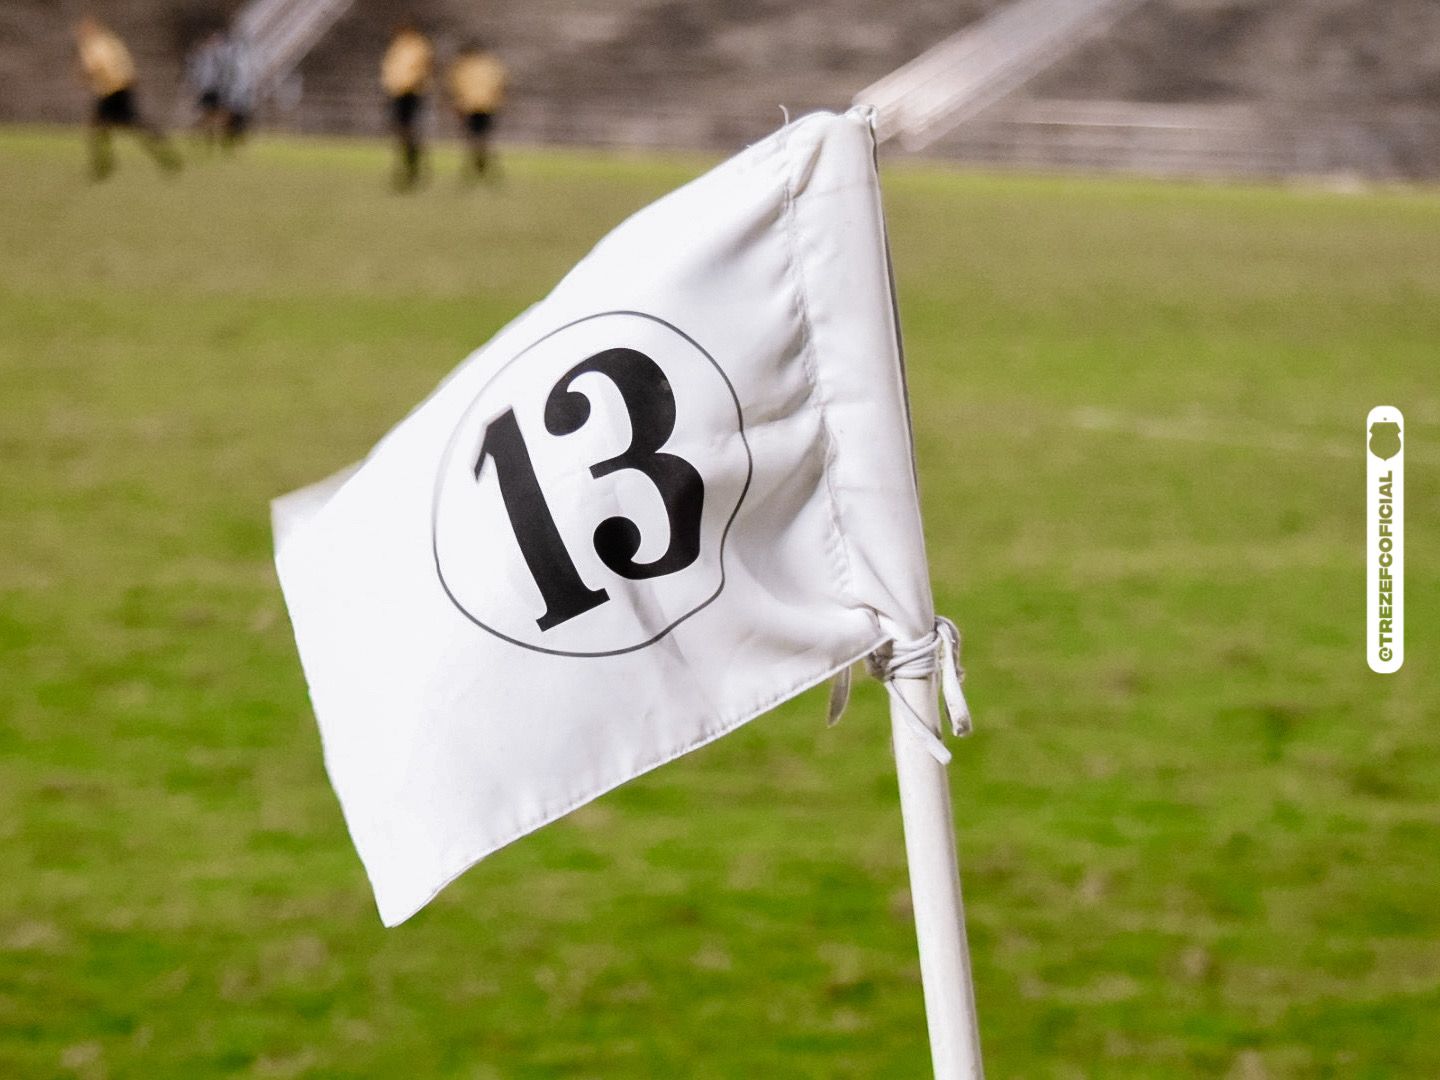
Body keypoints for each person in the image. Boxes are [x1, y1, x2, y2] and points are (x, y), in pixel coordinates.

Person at [75, 16, 181, 179]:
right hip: (121, 87)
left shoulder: (95, 45)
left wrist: (86, 76)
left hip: (112, 90)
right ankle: (105, 165)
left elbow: (96, 67)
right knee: (108, 127)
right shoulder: (110, 41)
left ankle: (104, 167)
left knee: (107, 127)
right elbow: (124, 64)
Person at [380, 22, 434, 190]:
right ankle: (407, 165)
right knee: (401, 130)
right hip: (397, 93)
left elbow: (425, 68)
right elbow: (391, 71)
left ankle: (415, 165)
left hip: (412, 93)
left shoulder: (419, 46)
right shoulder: (397, 46)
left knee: (410, 130)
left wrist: (417, 84)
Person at [447, 40, 507, 183]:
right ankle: (482, 167)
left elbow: (456, 85)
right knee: (482, 138)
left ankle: (477, 167)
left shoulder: (463, 65)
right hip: (487, 104)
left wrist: (457, 103)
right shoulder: (490, 64)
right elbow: (500, 84)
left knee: (473, 137)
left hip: (470, 105)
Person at [185, 29, 228, 149]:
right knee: (210, 115)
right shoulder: (204, 55)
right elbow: (197, 72)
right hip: (208, 88)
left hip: (218, 89)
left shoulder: (221, 55)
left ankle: (209, 137)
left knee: (217, 115)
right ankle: (197, 133)